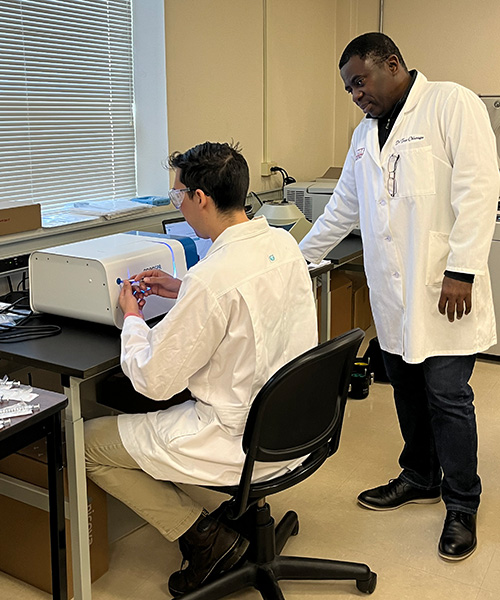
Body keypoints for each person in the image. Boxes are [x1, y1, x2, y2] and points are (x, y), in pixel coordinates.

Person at [84, 141, 318, 596]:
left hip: (238, 438)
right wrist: (182, 288)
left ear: (201, 199)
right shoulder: (282, 243)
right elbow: (248, 305)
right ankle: (234, 521)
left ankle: (204, 538)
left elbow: (153, 381)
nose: (179, 204)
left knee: (89, 444)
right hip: (298, 426)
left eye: (178, 196)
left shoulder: (212, 279)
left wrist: (132, 316)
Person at [299, 32, 499, 561]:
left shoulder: (450, 103)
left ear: (392, 64)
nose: (356, 95)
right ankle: (419, 476)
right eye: (348, 89)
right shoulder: (364, 133)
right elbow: (343, 207)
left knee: (448, 396)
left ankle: (462, 504)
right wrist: (295, 259)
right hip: (392, 294)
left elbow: (480, 187)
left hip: (444, 288)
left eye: (359, 82)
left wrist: (462, 269)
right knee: (406, 389)